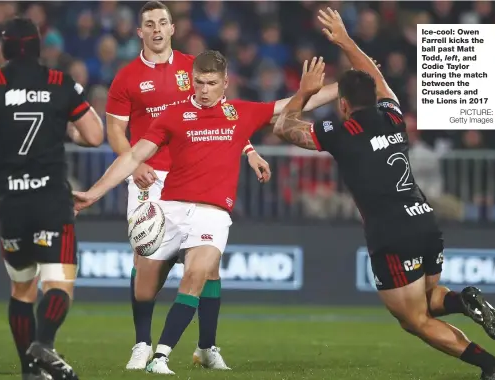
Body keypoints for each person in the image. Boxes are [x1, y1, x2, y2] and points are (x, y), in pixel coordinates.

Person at [272, 8, 495, 380]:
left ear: (344, 104)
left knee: (414, 320)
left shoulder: (342, 132)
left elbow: (283, 129)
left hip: (391, 235)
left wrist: (304, 93)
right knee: (430, 302)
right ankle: (462, 301)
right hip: (424, 221)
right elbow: (378, 77)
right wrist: (346, 40)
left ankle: (492, 366)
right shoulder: (393, 115)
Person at [73, 49, 338, 374]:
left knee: (197, 274)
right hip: (169, 209)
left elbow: (295, 105)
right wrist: (92, 194)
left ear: (225, 83)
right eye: (198, 82)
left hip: (211, 214)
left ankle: (162, 356)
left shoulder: (241, 113)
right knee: (144, 288)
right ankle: (151, 343)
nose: (203, 89)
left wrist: (341, 85)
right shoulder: (172, 116)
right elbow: (131, 157)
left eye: (211, 83)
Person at [0, 18, 105, 380]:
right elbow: (95, 136)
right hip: (50, 198)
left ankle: (29, 370)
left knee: (21, 287)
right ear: (38, 47)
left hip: (10, 201)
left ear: (4, 49)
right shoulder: (60, 83)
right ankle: (43, 346)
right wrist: (64, 128)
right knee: (59, 283)